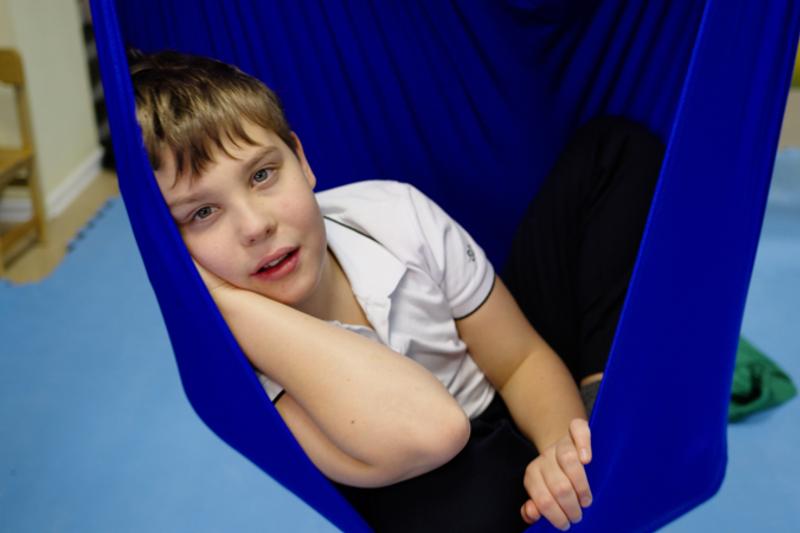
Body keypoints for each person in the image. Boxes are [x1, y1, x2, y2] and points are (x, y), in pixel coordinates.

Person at [129, 50, 664, 532]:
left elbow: (519, 360)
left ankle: (597, 398)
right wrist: (219, 299)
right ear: (171, 249)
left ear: (301, 159)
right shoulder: (228, 359)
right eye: (202, 213)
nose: (255, 225)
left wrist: (561, 449)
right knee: (465, 510)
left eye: (263, 175)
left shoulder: (390, 213)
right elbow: (431, 432)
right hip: (427, 474)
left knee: (613, 151)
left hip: (501, 389)